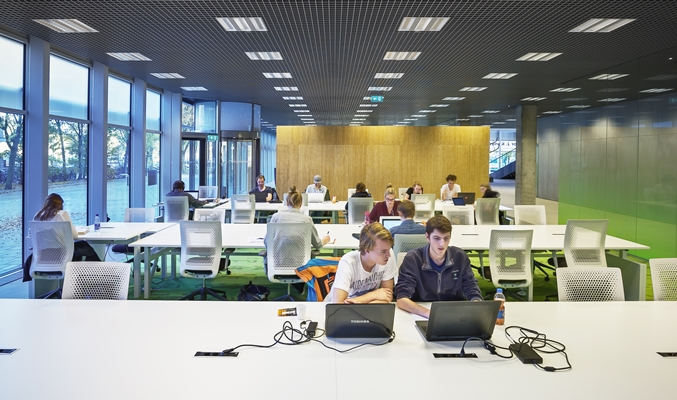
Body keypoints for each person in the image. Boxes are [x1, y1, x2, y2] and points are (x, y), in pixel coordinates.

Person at [395, 215, 482, 318]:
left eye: (446, 238)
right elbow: (401, 298)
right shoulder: (413, 258)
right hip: (421, 312)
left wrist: (476, 303)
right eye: (437, 238)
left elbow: (471, 287)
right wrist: (430, 314)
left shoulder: (460, 256)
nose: (442, 244)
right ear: (427, 237)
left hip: (454, 312)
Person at [263, 187, 331, 292]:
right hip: (301, 267)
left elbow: (266, 241)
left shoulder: (276, 217)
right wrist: (325, 239)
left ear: (286, 202)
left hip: (277, 264)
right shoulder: (307, 219)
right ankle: (299, 284)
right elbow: (317, 244)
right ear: (301, 203)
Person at [23, 193, 101, 282]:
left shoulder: (38, 215)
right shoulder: (62, 214)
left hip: (43, 257)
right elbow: (75, 236)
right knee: (84, 245)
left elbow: (32, 235)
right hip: (61, 256)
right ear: (60, 204)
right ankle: (100, 274)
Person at [325, 222, 397, 303]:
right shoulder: (348, 262)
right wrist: (372, 295)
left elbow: (387, 297)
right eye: (382, 251)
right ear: (367, 250)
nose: (389, 255)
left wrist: (359, 303)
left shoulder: (388, 255)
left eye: (389, 249)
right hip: (331, 308)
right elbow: (338, 304)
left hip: (359, 307)